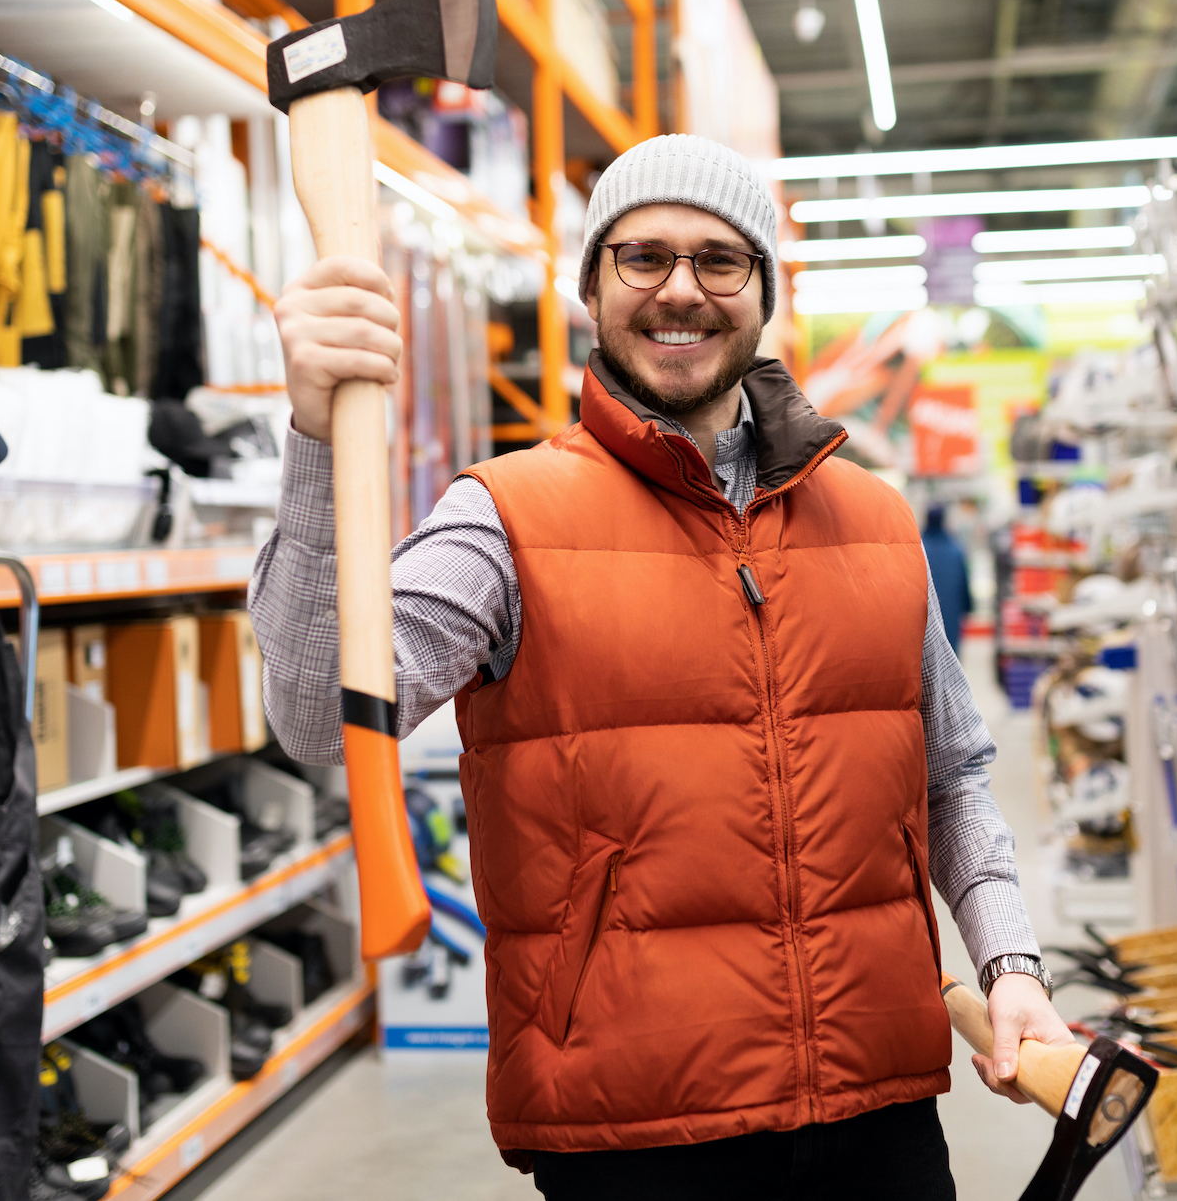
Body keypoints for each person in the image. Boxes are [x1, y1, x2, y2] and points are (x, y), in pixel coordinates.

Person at [249, 134, 1068, 1199]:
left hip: (880, 1113)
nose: (680, 288)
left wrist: (1011, 967)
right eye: (642, 257)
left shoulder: (870, 520)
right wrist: (315, 431)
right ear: (592, 288)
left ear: (760, 292)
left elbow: (951, 776)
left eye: (718, 259)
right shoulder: (505, 519)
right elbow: (317, 716)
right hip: (633, 1135)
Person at [920, 506, 973, 656]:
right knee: (950, 654)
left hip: (925, 615)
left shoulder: (919, 548)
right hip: (951, 611)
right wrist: (968, 607)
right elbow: (964, 583)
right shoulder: (955, 550)